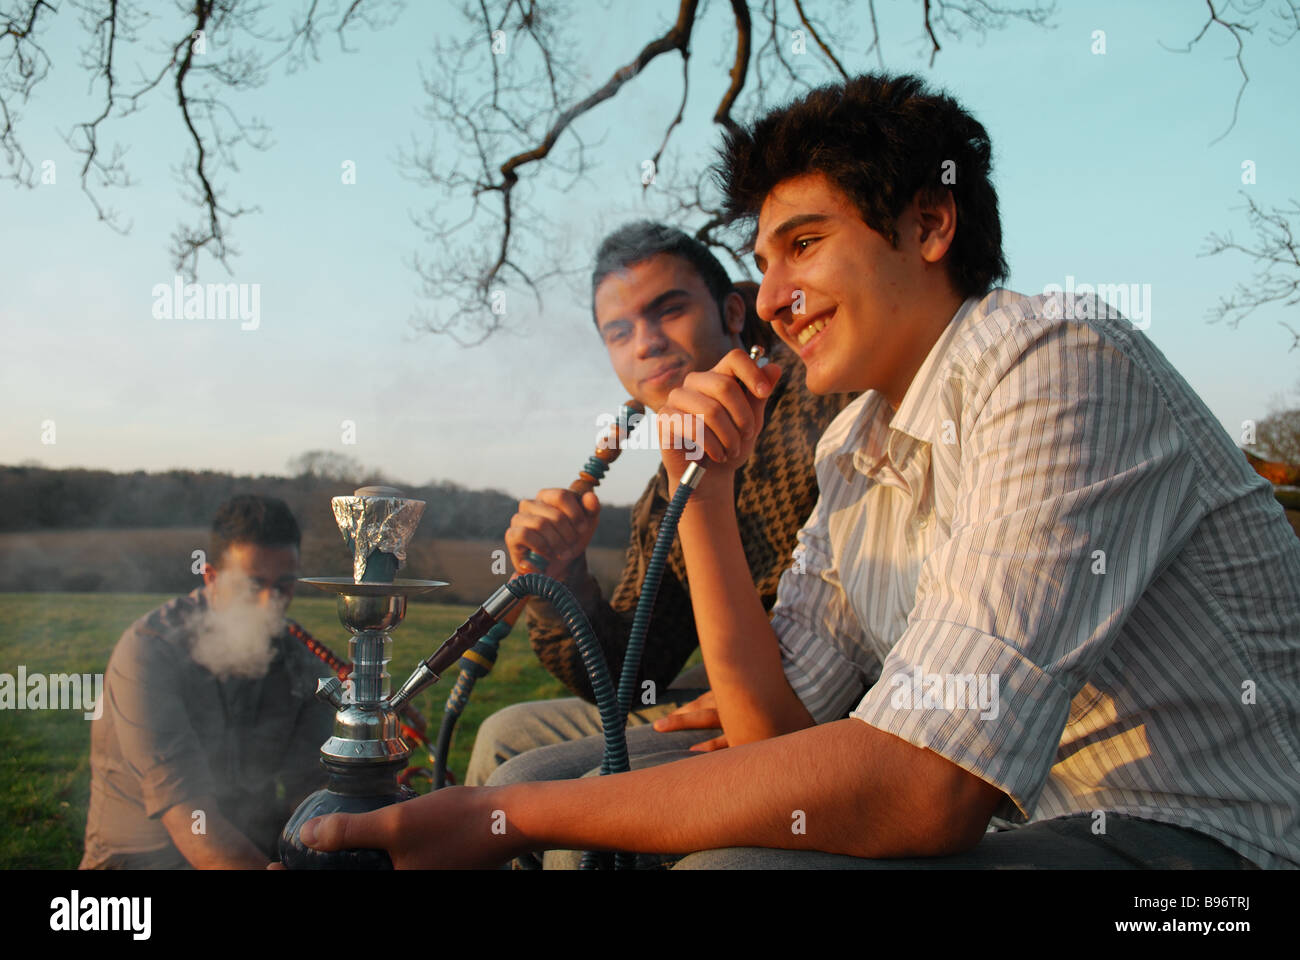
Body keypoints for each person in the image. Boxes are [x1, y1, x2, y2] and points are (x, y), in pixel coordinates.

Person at [301, 74, 1300, 869]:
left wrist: (496, 820)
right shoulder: (857, 442)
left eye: (804, 246)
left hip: (1201, 842)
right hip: (1022, 815)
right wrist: (702, 489)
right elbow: (773, 732)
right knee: (604, 799)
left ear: (928, 226)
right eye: (762, 260)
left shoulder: (1057, 357)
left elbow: (922, 788)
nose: (771, 298)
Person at [464, 222, 854, 789]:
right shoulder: (663, 494)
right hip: (729, 697)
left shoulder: (824, 390)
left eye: (668, 311)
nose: (644, 344)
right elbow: (636, 669)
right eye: (619, 333)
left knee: (531, 787)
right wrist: (564, 580)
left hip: (830, 708)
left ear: (732, 315)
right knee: (503, 735)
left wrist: (773, 695)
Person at [81, 495, 333, 869]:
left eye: (284, 585)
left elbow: (311, 793)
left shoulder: (301, 662)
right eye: (252, 585)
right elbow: (191, 820)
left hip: (254, 839)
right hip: (143, 859)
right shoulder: (150, 652)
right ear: (212, 578)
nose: (270, 604)